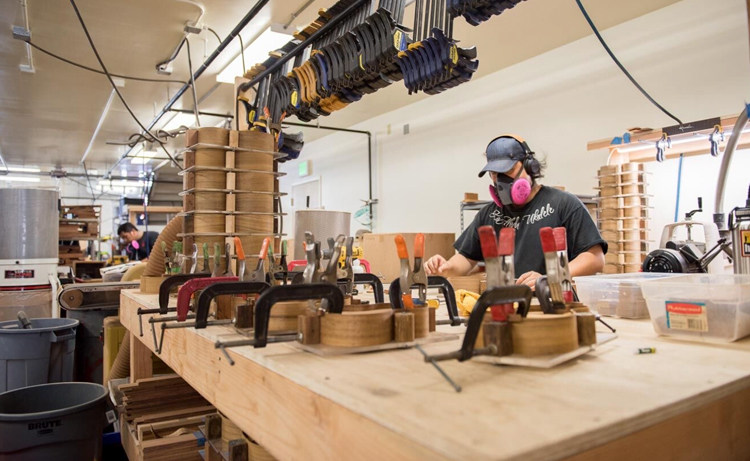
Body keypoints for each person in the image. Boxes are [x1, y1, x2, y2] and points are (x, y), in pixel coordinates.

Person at [424, 134, 606, 289]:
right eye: (495, 174)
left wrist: (550, 278)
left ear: (530, 167)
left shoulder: (563, 204)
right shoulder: (489, 214)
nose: (501, 180)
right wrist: (446, 267)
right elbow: (466, 259)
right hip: (507, 303)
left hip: (553, 301)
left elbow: (595, 258)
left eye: (509, 170)